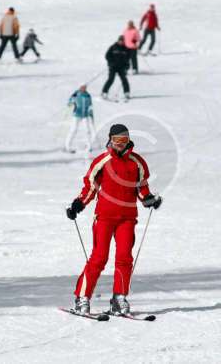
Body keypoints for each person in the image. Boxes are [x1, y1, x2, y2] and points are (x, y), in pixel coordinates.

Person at [66, 124, 163, 315]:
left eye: (124, 140)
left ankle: (119, 298)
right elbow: (91, 187)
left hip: (127, 218)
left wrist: (149, 200)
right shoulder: (102, 161)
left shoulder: (137, 162)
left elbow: (142, 188)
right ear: (110, 140)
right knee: (99, 257)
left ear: (128, 140)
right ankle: (82, 297)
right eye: (116, 140)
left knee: (124, 258)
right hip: (104, 217)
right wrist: (78, 204)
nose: (120, 144)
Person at [65, 85, 95, 153]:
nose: (83, 88)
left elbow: (90, 105)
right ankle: (68, 146)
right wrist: (71, 102)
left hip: (85, 115)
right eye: (82, 87)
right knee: (73, 130)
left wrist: (91, 113)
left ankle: (89, 146)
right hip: (77, 115)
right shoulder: (76, 94)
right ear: (79, 87)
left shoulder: (88, 95)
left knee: (87, 130)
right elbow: (69, 103)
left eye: (85, 87)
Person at [101, 36, 131, 100]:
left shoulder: (126, 49)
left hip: (121, 67)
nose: (121, 42)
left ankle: (127, 93)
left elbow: (128, 59)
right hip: (113, 67)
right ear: (118, 40)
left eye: (123, 41)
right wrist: (111, 62)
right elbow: (107, 56)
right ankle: (104, 92)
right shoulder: (113, 47)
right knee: (111, 79)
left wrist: (127, 67)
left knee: (124, 79)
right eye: (120, 41)